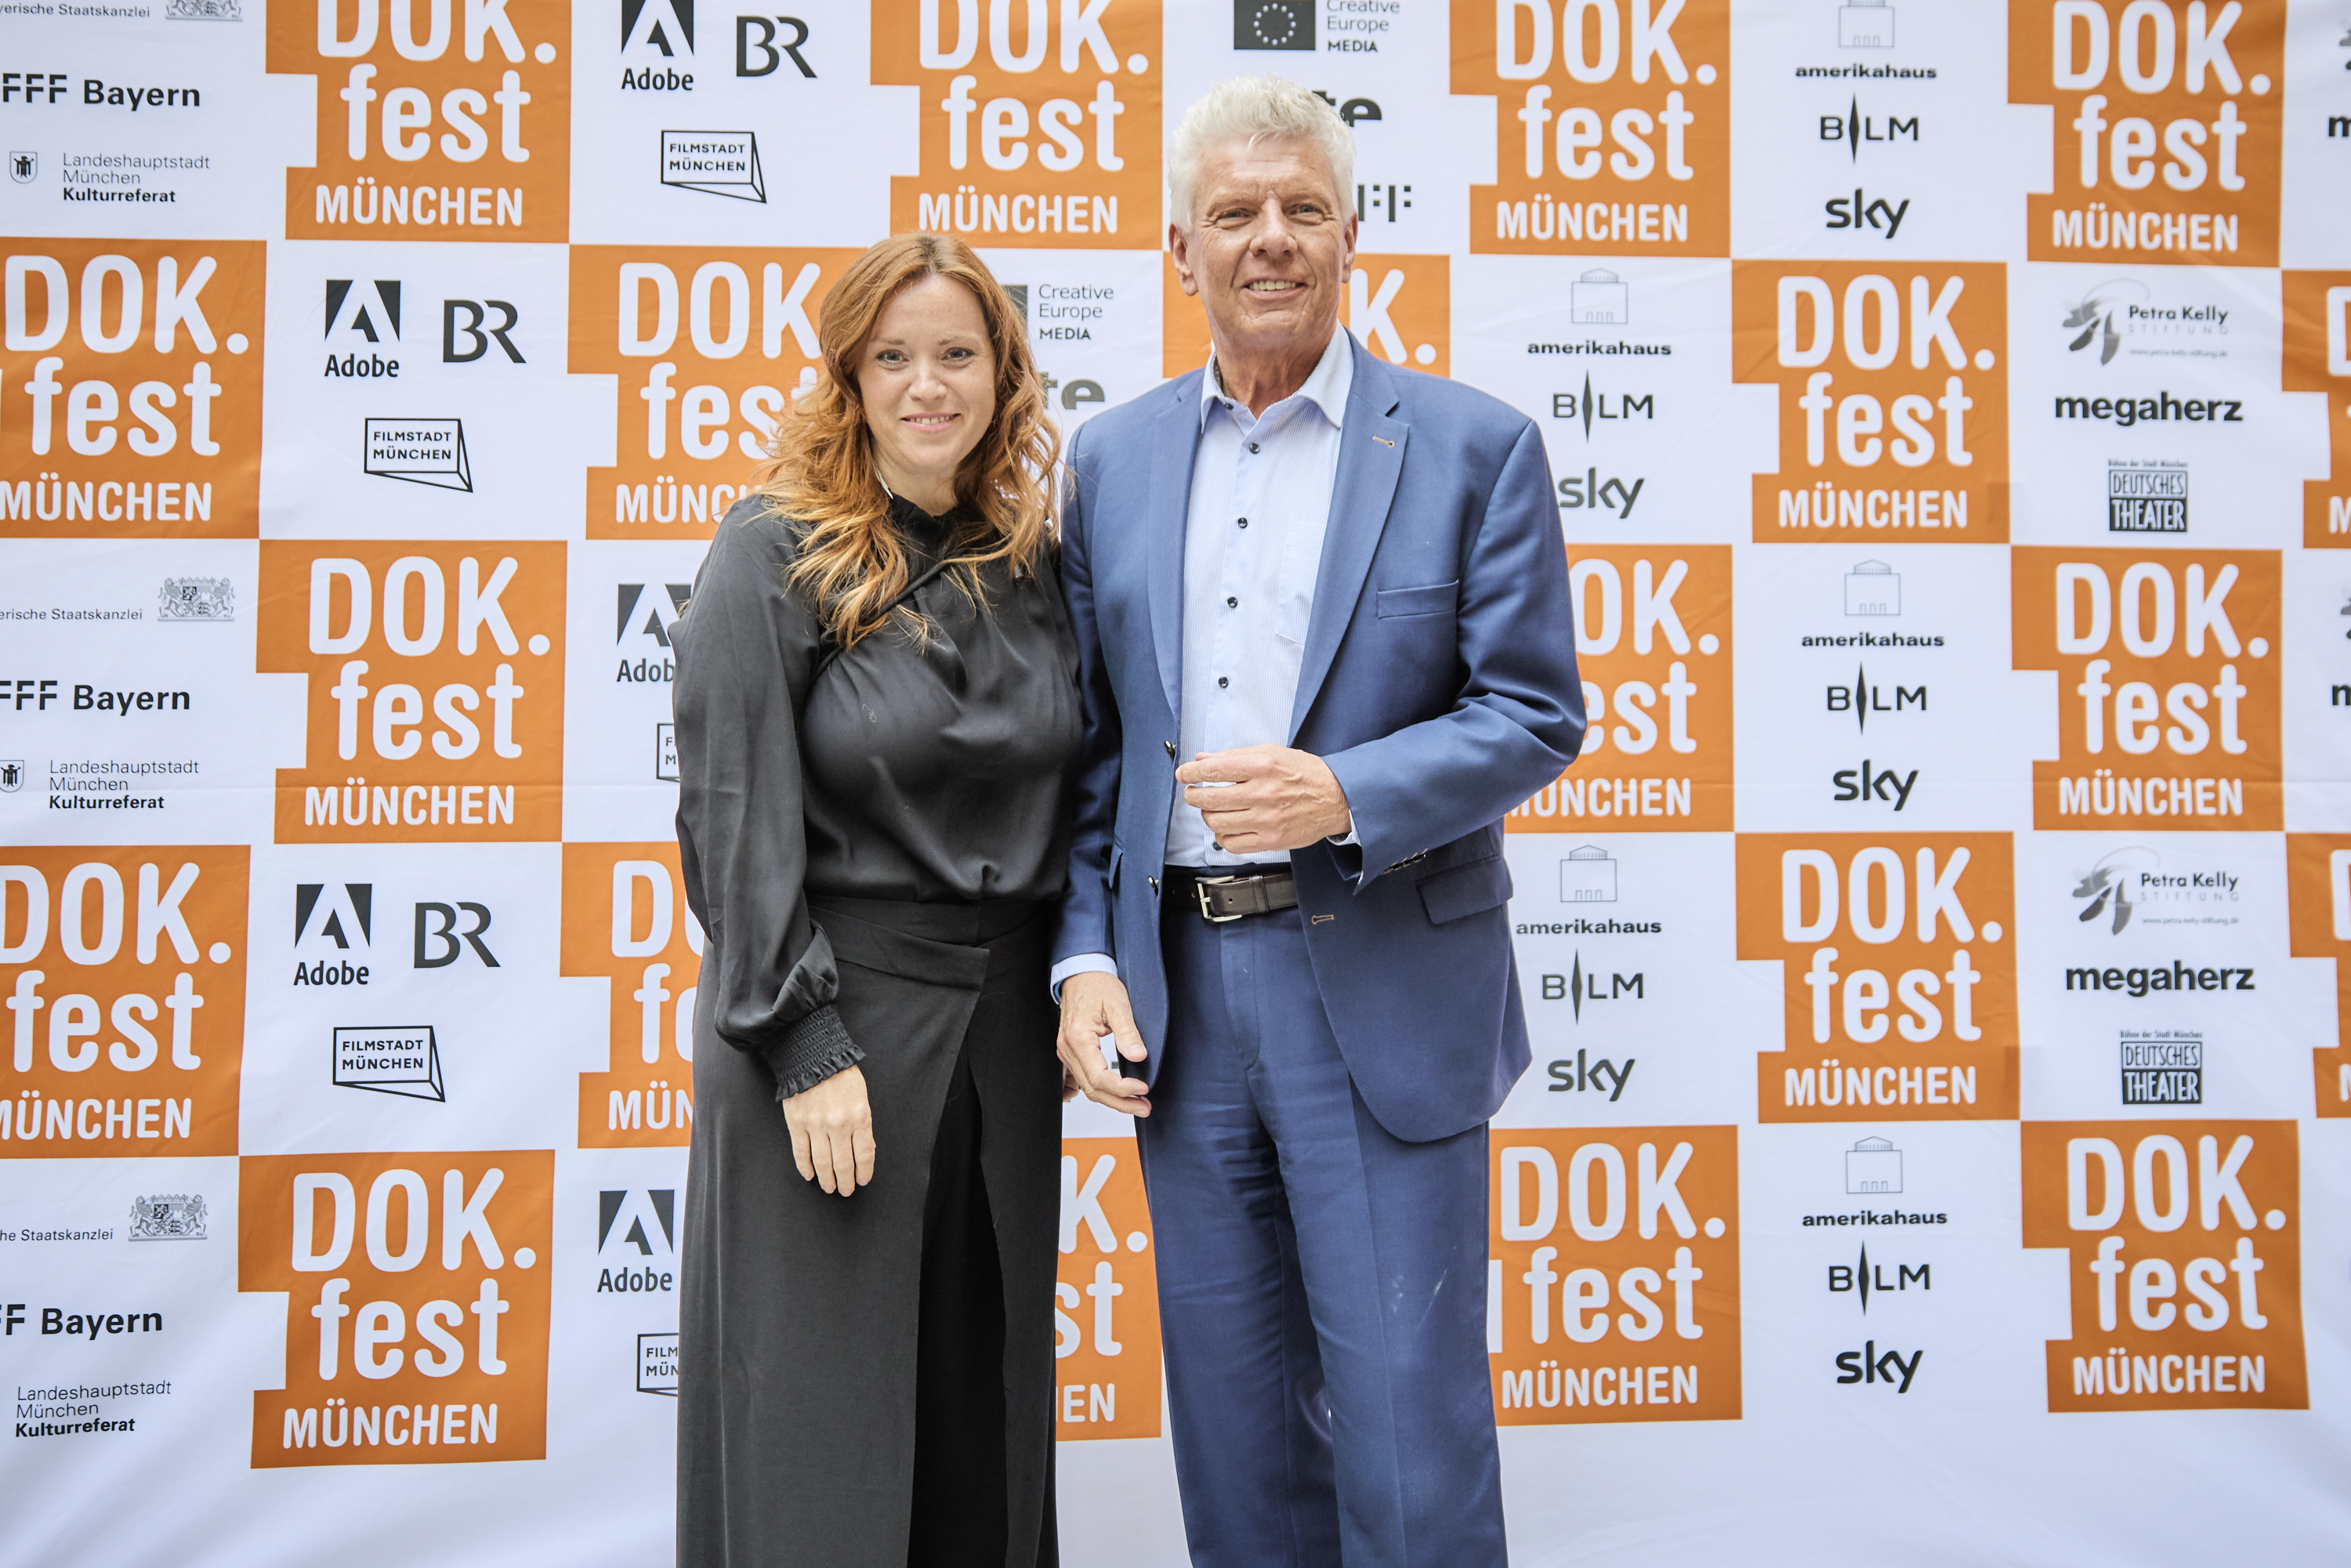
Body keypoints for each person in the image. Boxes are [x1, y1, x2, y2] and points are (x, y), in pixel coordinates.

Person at [1052, 78, 1585, 1566]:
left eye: (1302, 208)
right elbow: (1090, 753)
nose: (1270, 238)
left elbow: (1535, 710)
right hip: (1182, 1004)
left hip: (1384, 991)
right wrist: (1081, 956)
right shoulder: (1109, 462)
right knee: (1238, 1458)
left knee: (1409, 1456)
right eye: (1234, 213)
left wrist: (1346, 792)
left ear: (1355, 234)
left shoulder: (1475, 447)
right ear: (1180, 250)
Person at [671, 232, 1077, 1568]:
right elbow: (731, 815)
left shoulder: (1031, 561)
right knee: (820, 1442)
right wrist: (803, 1042)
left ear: (1002, 372)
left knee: (984, 1429)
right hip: (829, 1033)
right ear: (847, 374)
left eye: (956, 353)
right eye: (892, 356)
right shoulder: (772, 550)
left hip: (1002, 1047)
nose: (927, 384)